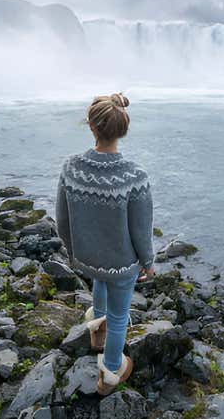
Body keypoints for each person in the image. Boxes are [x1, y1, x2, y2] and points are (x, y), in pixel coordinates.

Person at [55, 93, 155, 395]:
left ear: (91, 126)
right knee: (119, 314)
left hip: (87, 257)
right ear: (123, 129)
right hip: (122, 263)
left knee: (99, 276)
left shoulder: (71, 168)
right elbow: (140, 229)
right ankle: (111, 371)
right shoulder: (135, 176)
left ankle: (96, 331)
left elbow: (62, 219)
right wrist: (147, 262)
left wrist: (73, 251)